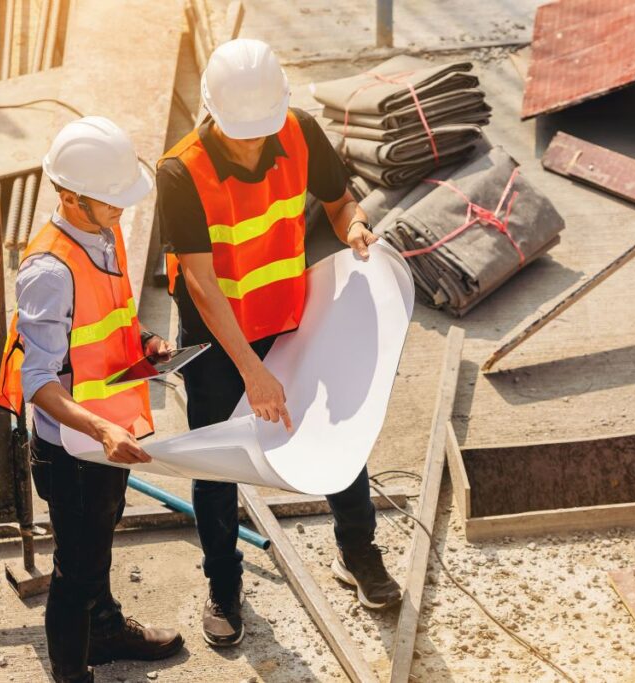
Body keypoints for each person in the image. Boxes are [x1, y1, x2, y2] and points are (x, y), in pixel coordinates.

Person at [155, 39, 402, 649]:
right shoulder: (181, 172)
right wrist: (253, 373)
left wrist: (358, 231)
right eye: (241, 134)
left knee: (337, 430)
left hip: (292, 314)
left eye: (260, 131)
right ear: (212, 114)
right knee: (220, 463)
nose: (252, 142)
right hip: (219, 338)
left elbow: (341, 204)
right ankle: (224, 587)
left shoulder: (297, 131)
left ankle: (357, 553)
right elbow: (201, 285)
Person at [0, 117, 183, 682]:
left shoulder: (104, 233)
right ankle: (71, 673)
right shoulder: (49, 272)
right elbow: (40, 382)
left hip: (107, 434)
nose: (121, 212)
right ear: (72, 199)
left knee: (98, 544)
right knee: (75, 571)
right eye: (110, 203)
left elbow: (110, 318)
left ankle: (102, 628)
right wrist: (101, 432)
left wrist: (145, 341)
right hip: (76, 448)